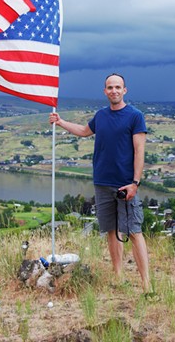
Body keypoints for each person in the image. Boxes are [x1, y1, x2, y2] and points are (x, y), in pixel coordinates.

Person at [49, 73, 150, 292]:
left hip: (125, 184)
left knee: (133, 231)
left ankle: (147, 285)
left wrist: (135, 183)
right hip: (102, 182)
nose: (114, 91)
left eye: (118, 87)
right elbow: (84, 132)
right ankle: (118, 276)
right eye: (110, 87)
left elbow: (139, 150)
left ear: (125, 90)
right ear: (105, 91)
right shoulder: (101, 116)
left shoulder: (135, 116)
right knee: (112, 231)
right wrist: (61, 121)